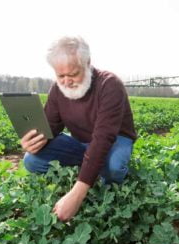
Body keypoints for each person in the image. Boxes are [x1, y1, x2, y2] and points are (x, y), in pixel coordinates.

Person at [22, 36, 136, 221]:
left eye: (73, 74)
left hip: (114, 140)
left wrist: (77, 194)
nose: (66, 82)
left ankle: (99, 174)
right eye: (60, 76)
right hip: (81, 143)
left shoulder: (109, 85)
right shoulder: (58, 90)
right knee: (32, 160)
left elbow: (103, 138)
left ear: (88, 63)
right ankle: (90, 169)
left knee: (113, 168)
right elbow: (51, 126)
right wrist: (33, 140)